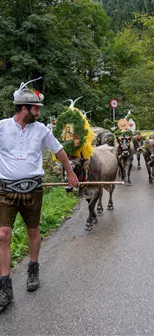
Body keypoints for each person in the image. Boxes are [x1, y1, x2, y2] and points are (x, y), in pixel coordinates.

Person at [0, 83, 79, 312]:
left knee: (33, 231)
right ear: (24, 108)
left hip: (33, 189)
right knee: (3, 234)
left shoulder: (42, 130)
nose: (39, 111)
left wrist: (70, 172)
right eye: (36, 108)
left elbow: (59, 150)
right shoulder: (2, 127)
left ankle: (33, 269)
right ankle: (5, 286)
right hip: (5, 190)